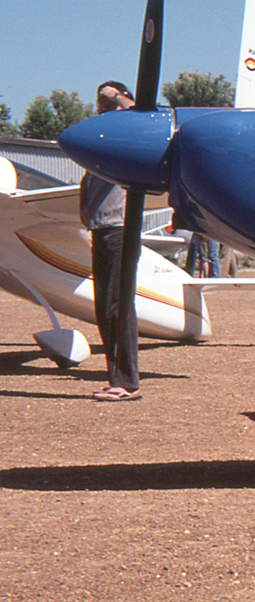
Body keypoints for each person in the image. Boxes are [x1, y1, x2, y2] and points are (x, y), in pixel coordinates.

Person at [80, 81, 141, 402]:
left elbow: (141, 115)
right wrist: (85, 210)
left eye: (106, 100)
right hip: (100, 230)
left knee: (119, 305)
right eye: (98, 100)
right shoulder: (98, 142)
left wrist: (117, 97)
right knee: (104, 308)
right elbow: (87, 177)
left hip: (121, 231)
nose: (101, 106)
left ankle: (128, 382)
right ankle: (116, 377)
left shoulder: (127, 136)